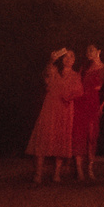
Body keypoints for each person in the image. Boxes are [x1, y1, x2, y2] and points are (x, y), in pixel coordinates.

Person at [29, 49, 82, 184]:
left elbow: (79, 91)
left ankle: (57, 174)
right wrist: (51, 60)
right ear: (62, 59)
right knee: (43, 137)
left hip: (65, 109)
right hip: (50, 106)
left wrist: (69, 96)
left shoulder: (75, 75)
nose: (68, 59)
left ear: (74, 60)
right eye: (66, 56)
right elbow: (46, 75)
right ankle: (38, 174)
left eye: (71, 56)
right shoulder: (54, 70)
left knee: (61, 139)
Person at [73, 45, 104, 181]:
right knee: (79, 134)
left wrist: (102, 105)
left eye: (92, 50)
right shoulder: (84, 68)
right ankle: (79, 170)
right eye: (87, 50)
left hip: (93, 103)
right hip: (80, 101)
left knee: (92, 136)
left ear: (99, 51)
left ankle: (90, 169)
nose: (89, 52)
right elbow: (76, 83)